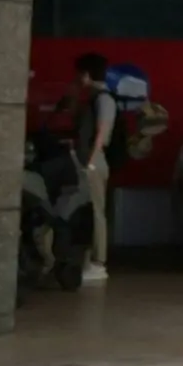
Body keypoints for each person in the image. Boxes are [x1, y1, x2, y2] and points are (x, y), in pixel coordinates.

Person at [71, 51, 116, 286]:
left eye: (80, 73)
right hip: (89, 159)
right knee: (89, 211)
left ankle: (99, 263)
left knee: (97, 211)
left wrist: (90, 161)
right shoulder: (92, 98)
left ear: (87, 74)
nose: (77, 78)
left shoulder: (103, 99)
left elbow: (102, 131)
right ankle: (90, 260)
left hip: (94, 161)